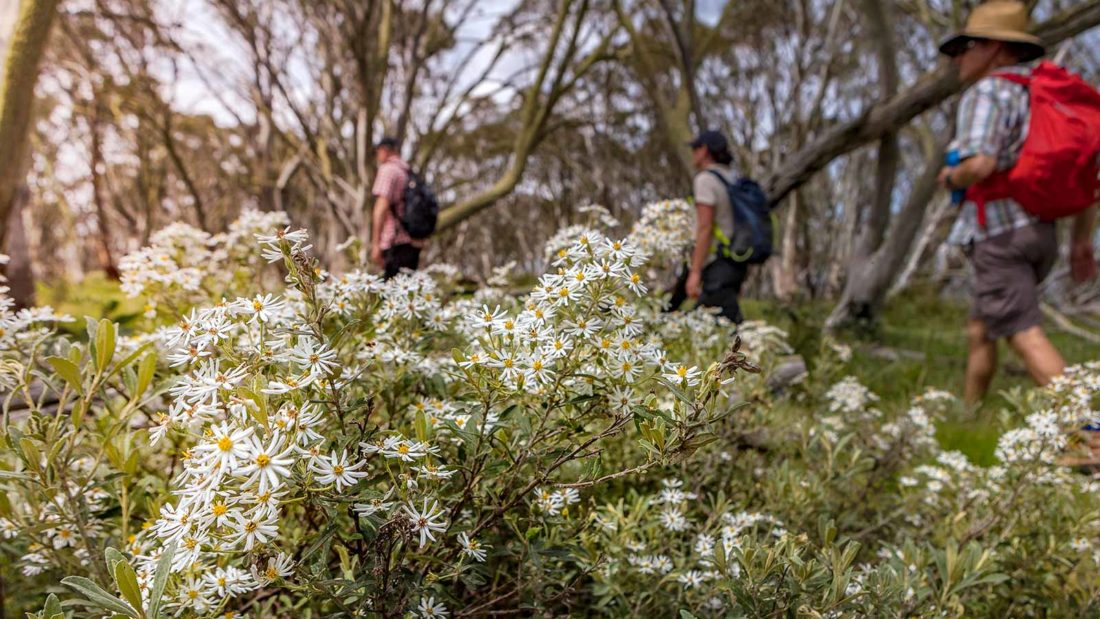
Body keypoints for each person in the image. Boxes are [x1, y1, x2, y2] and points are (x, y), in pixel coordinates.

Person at [936, 1, 1097, 404]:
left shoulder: (988, 92)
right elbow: (1083, 174)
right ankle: (968, 416)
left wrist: (951, 176)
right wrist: (1081, 242)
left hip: (1000, 233)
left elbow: (982, 164)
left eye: (965, 46)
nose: (958, 58)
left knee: (1024, 334)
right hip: (1039, 232)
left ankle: (1092, 438)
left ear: (993, 46)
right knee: (982, 327)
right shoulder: (1042, 95)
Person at [670, 129, 748, 324]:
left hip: (718, 263)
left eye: (695, 148)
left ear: (704, 150)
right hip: (737, 260)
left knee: (704, 324)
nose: (693, 154)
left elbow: (705, 227)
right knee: (725, 323)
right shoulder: (733, 178)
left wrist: (695, 272)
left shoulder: (705, 180)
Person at [371, 136, 425, 279]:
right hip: (413, 241)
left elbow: (381, 208)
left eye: (378, 151)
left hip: (394, 241)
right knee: (407, 292)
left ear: (385, 150)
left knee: (390, 293)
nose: (377, 155)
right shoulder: (407, 171)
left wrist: (376, 244)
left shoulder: (388, 170)